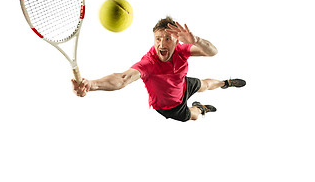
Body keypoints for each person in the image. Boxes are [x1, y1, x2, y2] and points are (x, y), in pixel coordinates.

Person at [71, 16, 246, 122]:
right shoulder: (149, 64)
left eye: (168, 39)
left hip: (182, 85)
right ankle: (201, 108)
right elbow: (123, 78)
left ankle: (225, 83)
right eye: (158, 39)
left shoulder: (181, 51)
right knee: (193, 116)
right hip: (170, 106)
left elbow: (212, 52)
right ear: (153, 39)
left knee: (205, 85)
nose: (162, 44)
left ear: (177, 40)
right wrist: (91, 84)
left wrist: (196, 40)